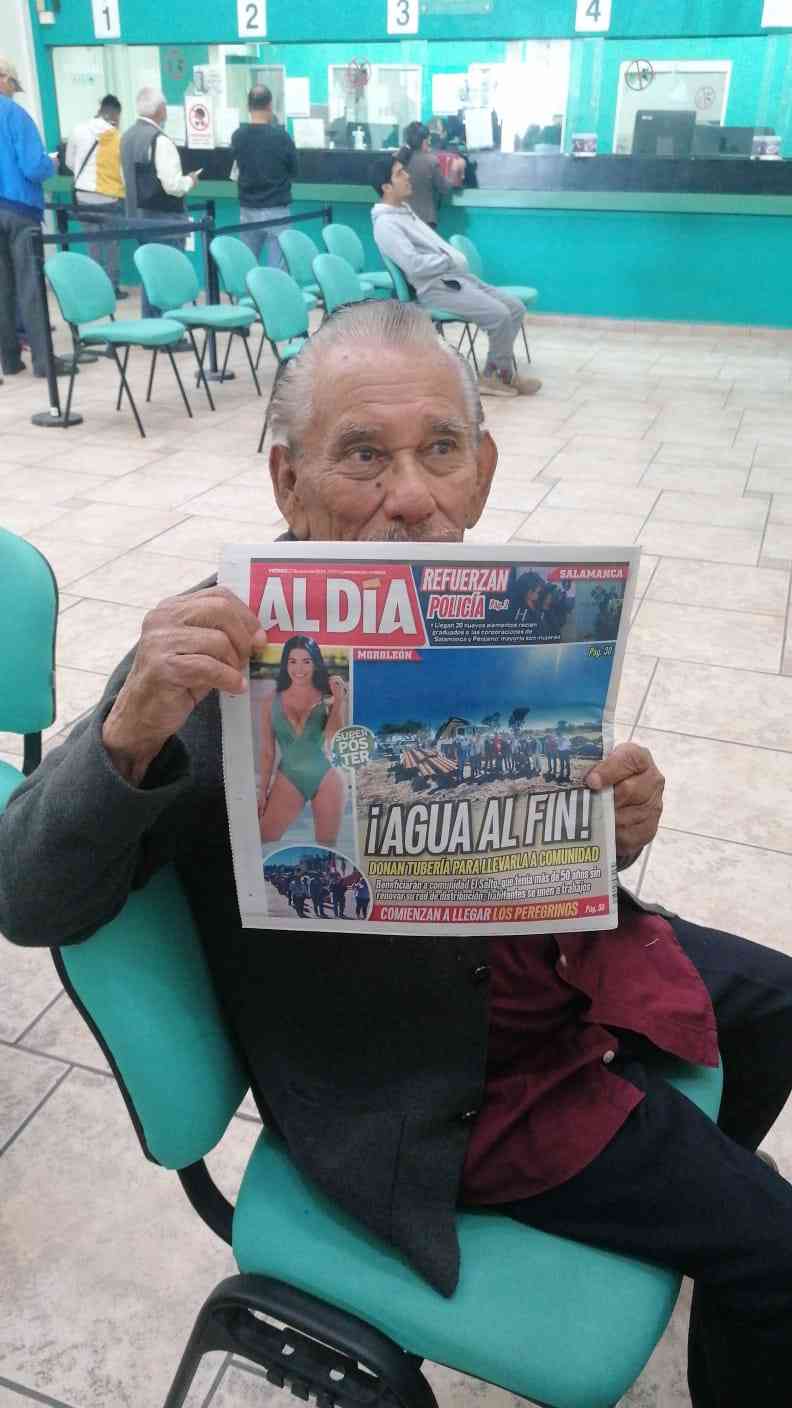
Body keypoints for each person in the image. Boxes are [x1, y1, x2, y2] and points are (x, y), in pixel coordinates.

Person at [2, 298, 792, 1408]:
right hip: (423, 1081)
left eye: (442, 449)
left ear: (484, 471)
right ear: (288, 480)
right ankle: (723, 1230)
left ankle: (687, 1203)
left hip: (531, 957)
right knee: (779, 1253)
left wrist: (605, 834)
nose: (412, 495)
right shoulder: (217, 659)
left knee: (775, 1007)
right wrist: (128, 730)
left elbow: (512, 849)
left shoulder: (502, 622)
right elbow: (27, 895)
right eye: (364, 454)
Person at [370, 152, 540, 400]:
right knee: (499, 315)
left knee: (514, 308)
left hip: (453, 278)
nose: (407, 176)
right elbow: (414, 266)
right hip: (434, 287)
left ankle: (500, 373)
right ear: (386, 187)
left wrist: (450, 260)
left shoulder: (404, 212)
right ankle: (494, 377)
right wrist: (447, 259)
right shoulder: (386, 224)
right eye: (399, 173)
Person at [0, 56, 73, 378]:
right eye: (13, 84)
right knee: (30, 286)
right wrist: (51, 163)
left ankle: (9, 359)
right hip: (19, 210)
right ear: (5, 79)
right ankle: (44, 361)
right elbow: (32, 167)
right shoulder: (14, 114)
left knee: (2, 289)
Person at [257, 636, 348, 847]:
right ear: (285, 663)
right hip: (289, 776)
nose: (299, 669)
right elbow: (268, 752)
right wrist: (262, 791)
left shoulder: (327, 698)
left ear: (315, 663)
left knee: (327, 848)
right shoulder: (270, 701)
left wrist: (339, 702)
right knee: (263, 839)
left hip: (327, 776)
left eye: (306, 661)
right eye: (293, 661)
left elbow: (334, 738)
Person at [120, 86, 200, 319]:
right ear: (161, 109)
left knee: (151, 275)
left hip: (136, 218)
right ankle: (171, 327)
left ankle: (151, 324)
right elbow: (172, 185)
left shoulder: (126, 137)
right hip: (165, 221)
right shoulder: (160, 140)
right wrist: (190, 181)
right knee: (169, 276)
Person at [66, 93, 127, 298]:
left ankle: (95, 288)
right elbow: (123, 173)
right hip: (110, 198)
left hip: (83, 196)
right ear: (116, 114)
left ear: (100, 110)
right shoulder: (117, 137)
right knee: (111, 244)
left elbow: (70, 162)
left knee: (92, 242)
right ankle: (112, 288)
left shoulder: (78, 130)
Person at [230, 86, 297, 269]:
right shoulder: (282, 137)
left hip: (247, 209)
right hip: (277, 210)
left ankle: (248, 290)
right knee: (278, 271)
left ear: (248, 107)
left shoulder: (238, 137)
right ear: (270, 106)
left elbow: (237, 168)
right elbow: (294, 170)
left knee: (247, 266)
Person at [399, 121, 461, 229]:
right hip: (425, 219)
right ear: (425, 141)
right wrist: (454, 170)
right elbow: (444, 188)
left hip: (402, 217)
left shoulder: (399, 159)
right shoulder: (430, 160)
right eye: (429, 139)